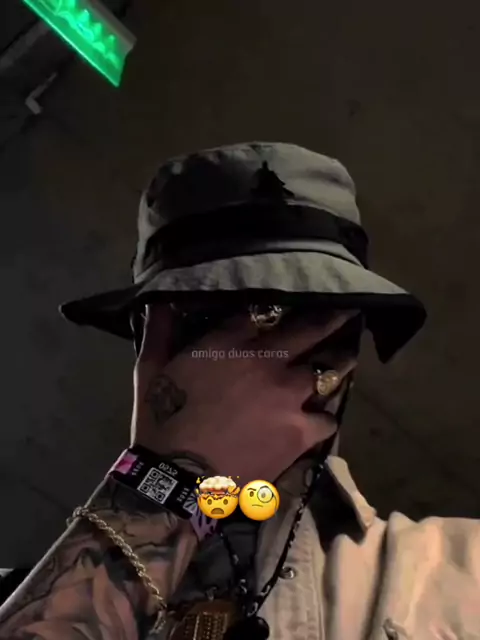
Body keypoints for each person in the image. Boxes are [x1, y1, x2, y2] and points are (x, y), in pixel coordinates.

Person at [0, 143, 477, 640]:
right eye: (214, 316)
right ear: (150, 344)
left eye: (309, 317)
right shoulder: (30, 600)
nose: (261, 361)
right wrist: (171, 480)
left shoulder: (462, 575)